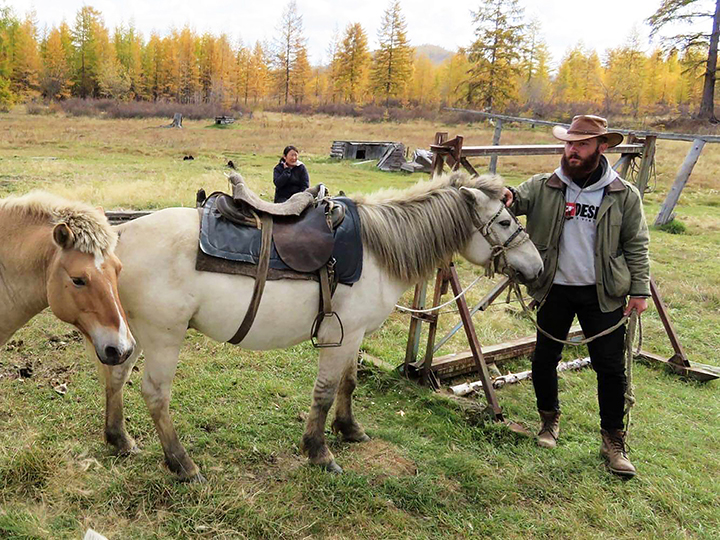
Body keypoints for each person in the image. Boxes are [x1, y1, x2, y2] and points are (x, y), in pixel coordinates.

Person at [503, 115, 650, 477]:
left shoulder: (622, 194)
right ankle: (548, 422)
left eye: (581, 144)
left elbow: (636, 244)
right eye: (569, 143)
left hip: (604, 292)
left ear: (602, 147)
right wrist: (505, 195)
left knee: (611, 368)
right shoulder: (543, 186)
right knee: (544, 358)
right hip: (554, 287)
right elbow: (514, 199)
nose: (572, 150)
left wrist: (639, 289)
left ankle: (613, 441)